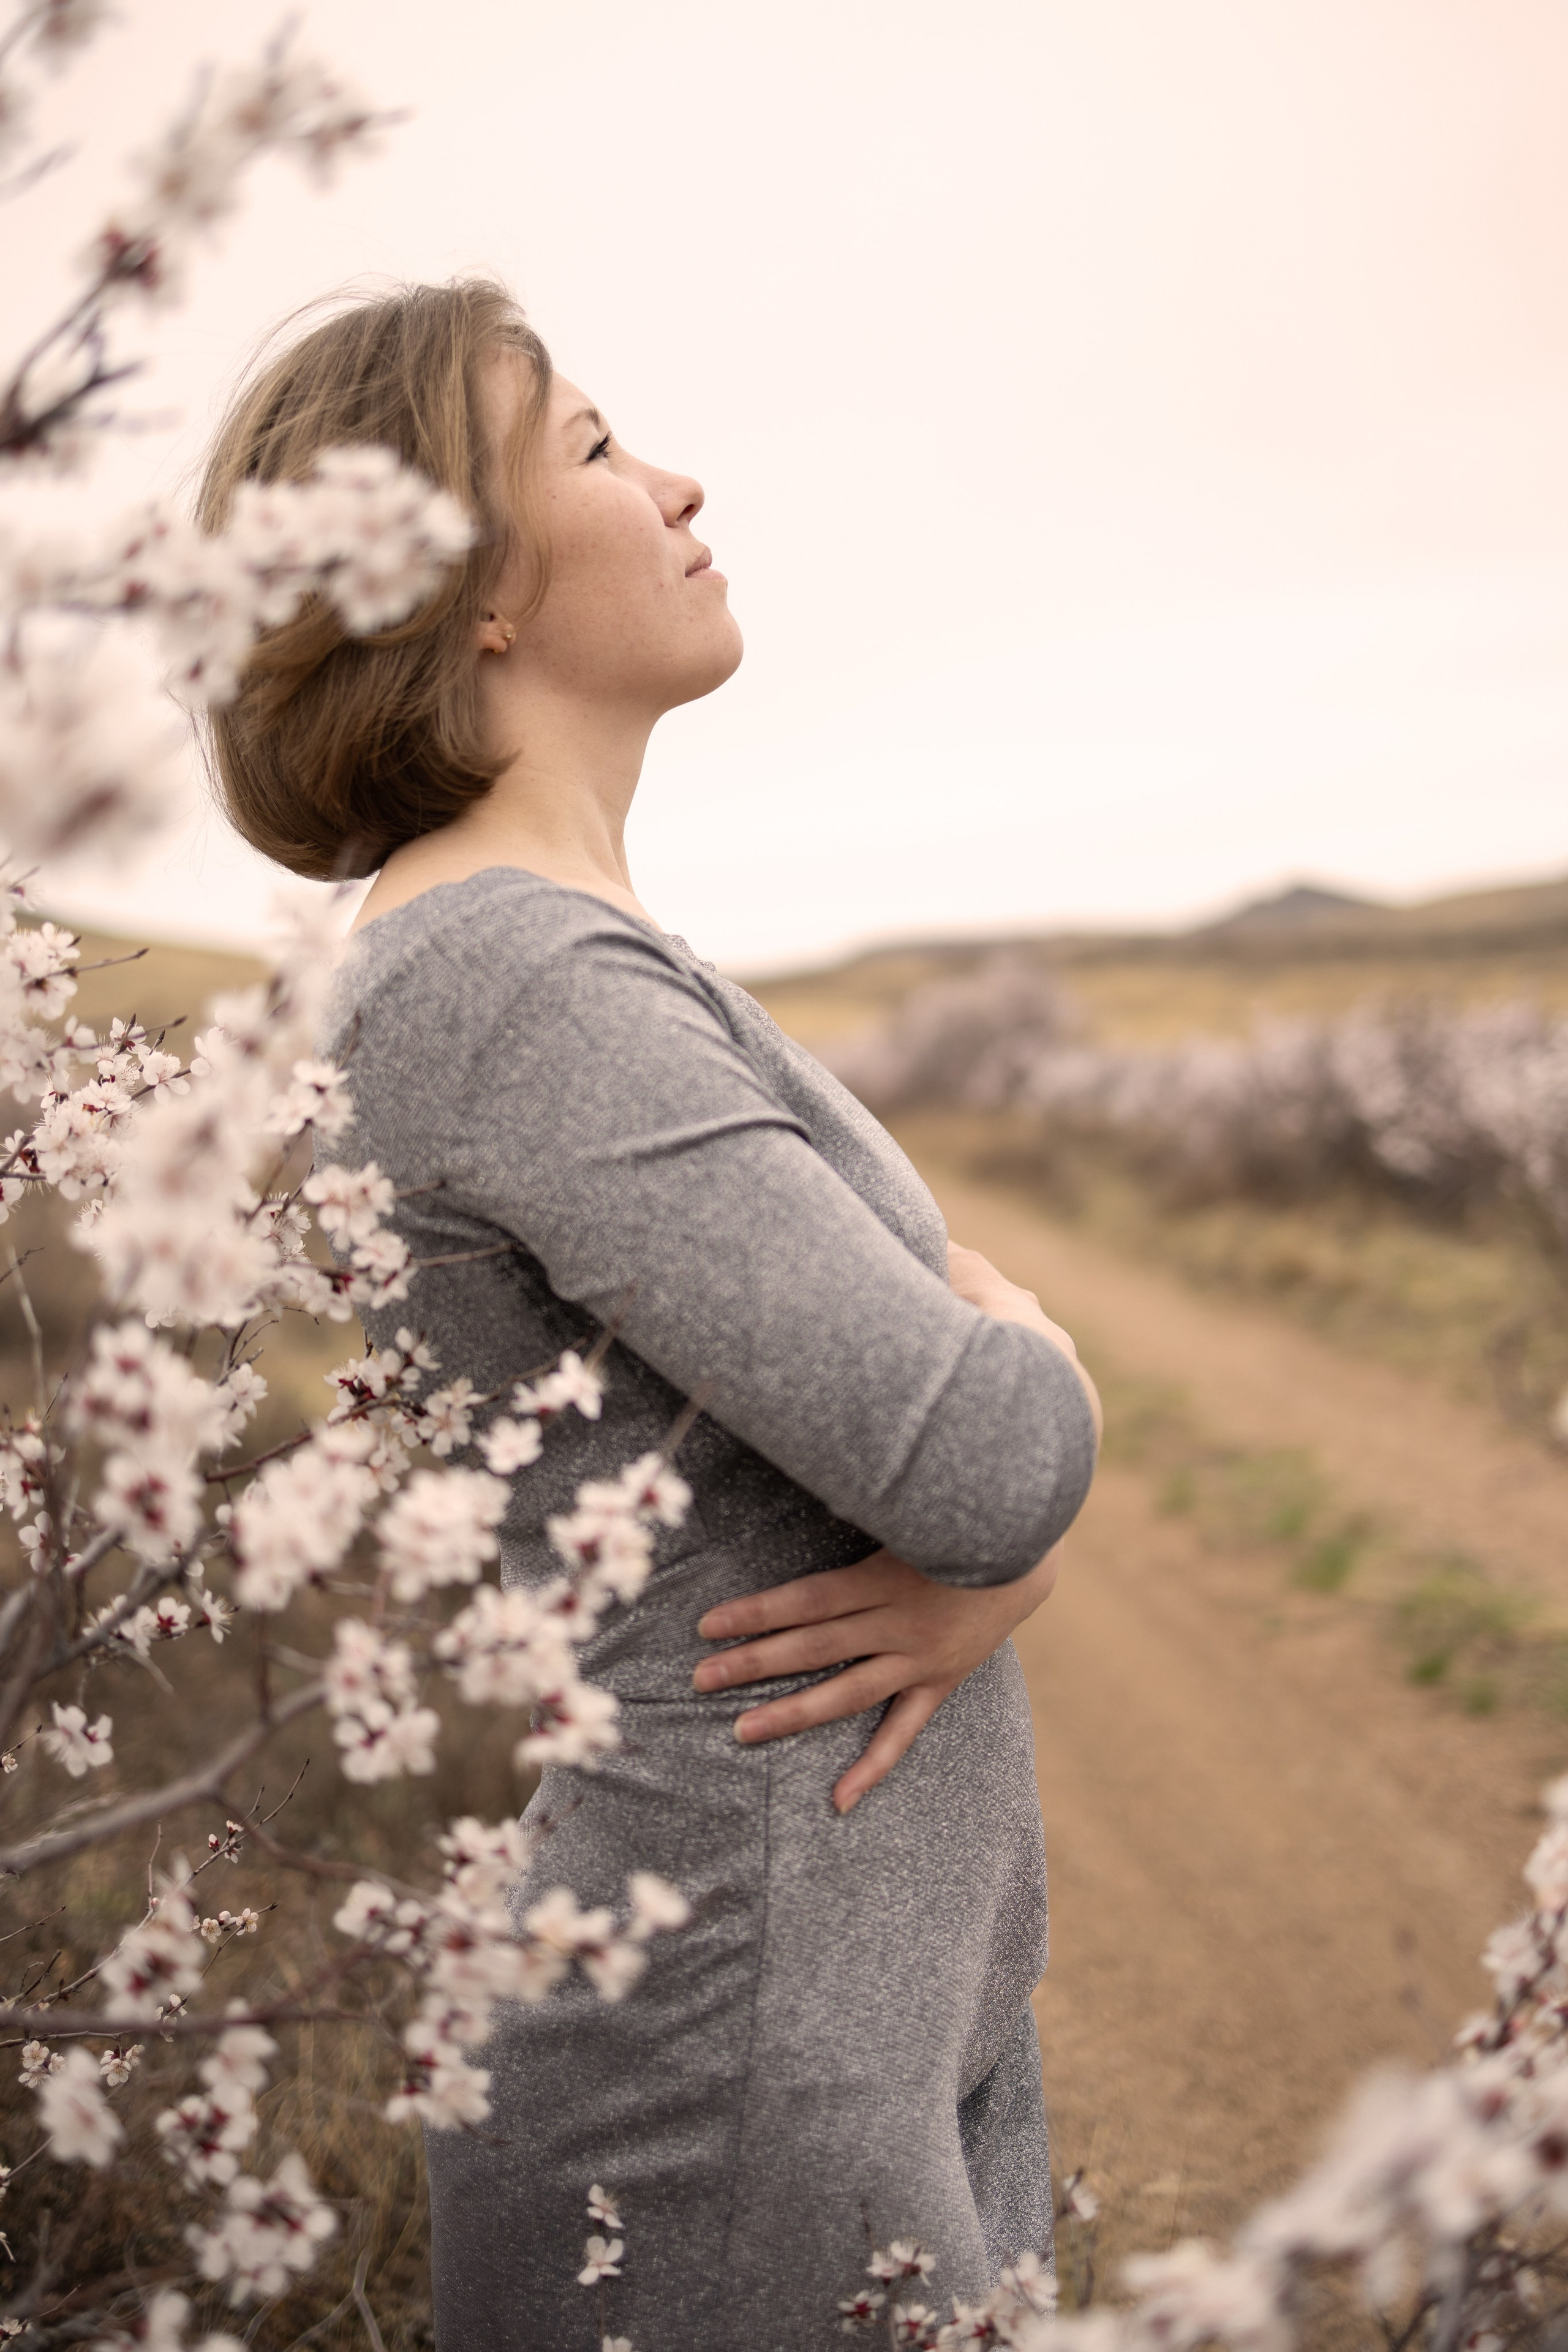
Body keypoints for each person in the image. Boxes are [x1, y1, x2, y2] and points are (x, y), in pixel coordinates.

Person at [198, 277, 1101, 2351]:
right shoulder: (511, 983)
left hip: (838, 1997)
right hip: (734, 2041)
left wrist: (1003, 1530)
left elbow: (941, 1477)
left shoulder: (570, 957)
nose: (680, 480)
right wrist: (1032, 1375)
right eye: (598, 448)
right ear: (464, 588)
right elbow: (977, 1454)